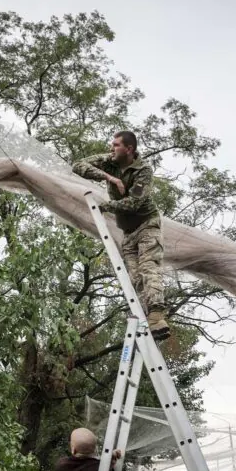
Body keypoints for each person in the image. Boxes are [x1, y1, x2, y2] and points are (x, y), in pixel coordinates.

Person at [72, 131, 170, 340]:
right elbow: (78, 165)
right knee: (134, 278)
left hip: (147, 226)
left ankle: (156, 317)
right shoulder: (111, 162)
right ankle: (147, 318)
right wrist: (109, 177)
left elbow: (133, 203)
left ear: (129, 149)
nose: (112, 148)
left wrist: (106, 205)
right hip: (128, 232)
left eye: (116, 145)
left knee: (148, 268)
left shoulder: (143, 171)